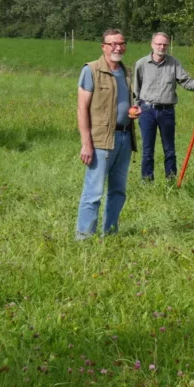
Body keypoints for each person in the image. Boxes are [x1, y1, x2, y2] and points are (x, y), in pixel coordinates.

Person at [75, 28, 138, 240]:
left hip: (125, 138)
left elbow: (124, 102)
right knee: (93, 192)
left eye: (121, 43)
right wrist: (86, 143)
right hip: (101, 140)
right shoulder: (91, 70)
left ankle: (110, 234)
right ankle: (84, 238)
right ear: (103, 47)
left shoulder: (126, 72)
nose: (118, 47)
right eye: (113, 44)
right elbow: (82, 109)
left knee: (118, 191)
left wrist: (134, 110)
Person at [132, 32, 194, 182]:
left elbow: (187, 83)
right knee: (147, 150)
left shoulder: (174, 63)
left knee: (169, 149)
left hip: (167, 112)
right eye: (158, 44)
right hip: (147, 111)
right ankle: (147, 181)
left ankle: (170, 180)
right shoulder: (141, 64)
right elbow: (136, 90)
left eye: (164, 44)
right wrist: (136, 107)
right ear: (152, 44)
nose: (161, 47)